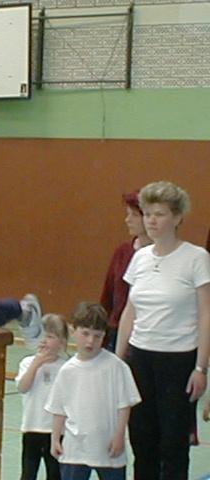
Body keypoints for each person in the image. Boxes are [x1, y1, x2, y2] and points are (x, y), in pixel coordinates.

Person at [115, 180, 210, 479]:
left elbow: (206, 314)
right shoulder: (140, 257)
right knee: (142, 440)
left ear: (177, 217)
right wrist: (118, 361)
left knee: (173, 443)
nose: (151, 221)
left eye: (159, 214)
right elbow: (130, 311)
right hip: (140, 359)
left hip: (178, 361)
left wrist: (201, 368)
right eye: (147, 214)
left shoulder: (196, 258)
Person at [47, 302, 141, 480]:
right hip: (75, 450)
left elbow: (124, 405)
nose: (90, 341)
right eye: (85, 333)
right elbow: (59, 409)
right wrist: (55, 439)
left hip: (108, 449)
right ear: (73, 331)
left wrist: (119, 436)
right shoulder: (67, 371)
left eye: (97, 336)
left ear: (104, 336)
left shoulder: (116, 366)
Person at [15, 313, 68, 480]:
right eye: (41, 336)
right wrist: (36, 364)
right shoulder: (27, 363)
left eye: (50, 337)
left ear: (62, 342)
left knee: (55, 474)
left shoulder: (66, 368)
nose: (44, 341)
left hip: (57, 431)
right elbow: (23, 387)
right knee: (28, 473)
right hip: (32, 427)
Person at [99, 191, 152, 351]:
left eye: (134, 215)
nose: (127, 220)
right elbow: (108, 294)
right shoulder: (122, 251)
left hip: (147, 334)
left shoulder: (162, 255)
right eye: (127, 214)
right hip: (117, 331)